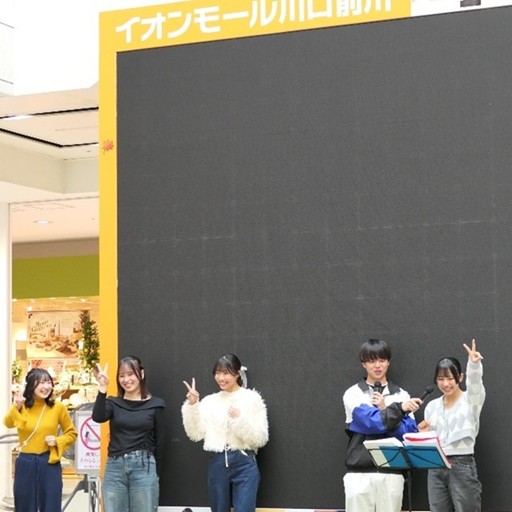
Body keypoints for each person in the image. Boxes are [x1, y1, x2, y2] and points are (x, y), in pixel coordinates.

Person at [343, 338, 423, 512]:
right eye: (372, 361)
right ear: (364, 364)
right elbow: (370, 422)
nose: (377, 365)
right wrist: (398, 410)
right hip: (359, 474)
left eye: (382, 360)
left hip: (392, 472)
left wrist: (386, 408)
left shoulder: (402, 394)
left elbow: (409, 434)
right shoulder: (353, 394)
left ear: (388, 362)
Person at [182, 353, 268, 512]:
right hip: (218, 462)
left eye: (226, 373)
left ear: (237, 373)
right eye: (218, 373)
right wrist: (192, 406)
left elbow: (261, 438)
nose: (221, 378)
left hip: (244, 462)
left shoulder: (252, 399)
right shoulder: (210, 401)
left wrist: (239, 420)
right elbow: (195, 433)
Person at [418, 339, 485, 512]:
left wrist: (474, 365)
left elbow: (475, 385)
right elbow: (431, 442)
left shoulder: (470, 400)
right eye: (440, 379)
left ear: (460, 377)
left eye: (450, 378)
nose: (445, 384)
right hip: (435, 466)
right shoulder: (431, 406)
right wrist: (424, 435)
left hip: (461, 464)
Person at [92, 356, 165, 512]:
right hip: (114, 467)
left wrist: (155, 472)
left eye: (131, 374)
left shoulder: (156, 404)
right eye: (122, 375)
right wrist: (102, 388)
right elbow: (98, 417)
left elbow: (160, 441)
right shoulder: (113, 403)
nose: (126, 380)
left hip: (144, 467)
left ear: (141, 374)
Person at [3, 368, 77, 512]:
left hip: (49, 462)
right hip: (25, 462)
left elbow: (72, 433)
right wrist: (16, 406)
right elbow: (8, 423)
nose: (46, 387)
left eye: (49, 382)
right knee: (24, 505)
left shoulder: (58, 407)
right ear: (31, 385)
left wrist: (57, 441)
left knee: (51, 506)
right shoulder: (22, 406)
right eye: (41, 383)